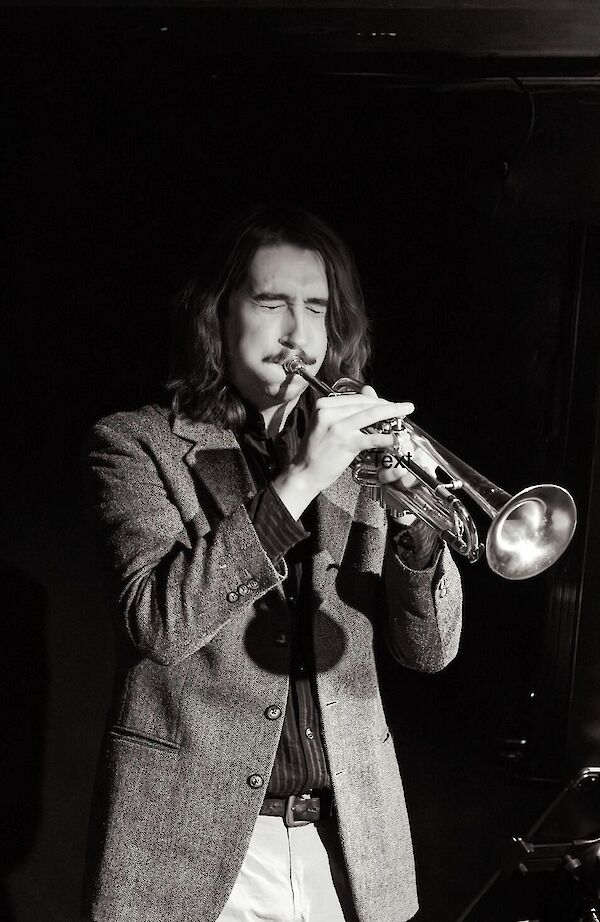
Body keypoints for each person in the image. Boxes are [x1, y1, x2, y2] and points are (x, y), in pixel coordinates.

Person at [82, 206, 462, 922]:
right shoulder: (135, 444)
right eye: (271, 303)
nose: (298, 334)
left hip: (350, 849)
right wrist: (301, 480)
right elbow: (158, 623)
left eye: (317, 308)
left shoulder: (365, 457)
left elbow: (431, 651)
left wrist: (415, 523)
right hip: (193, 855)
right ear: (218, 316)